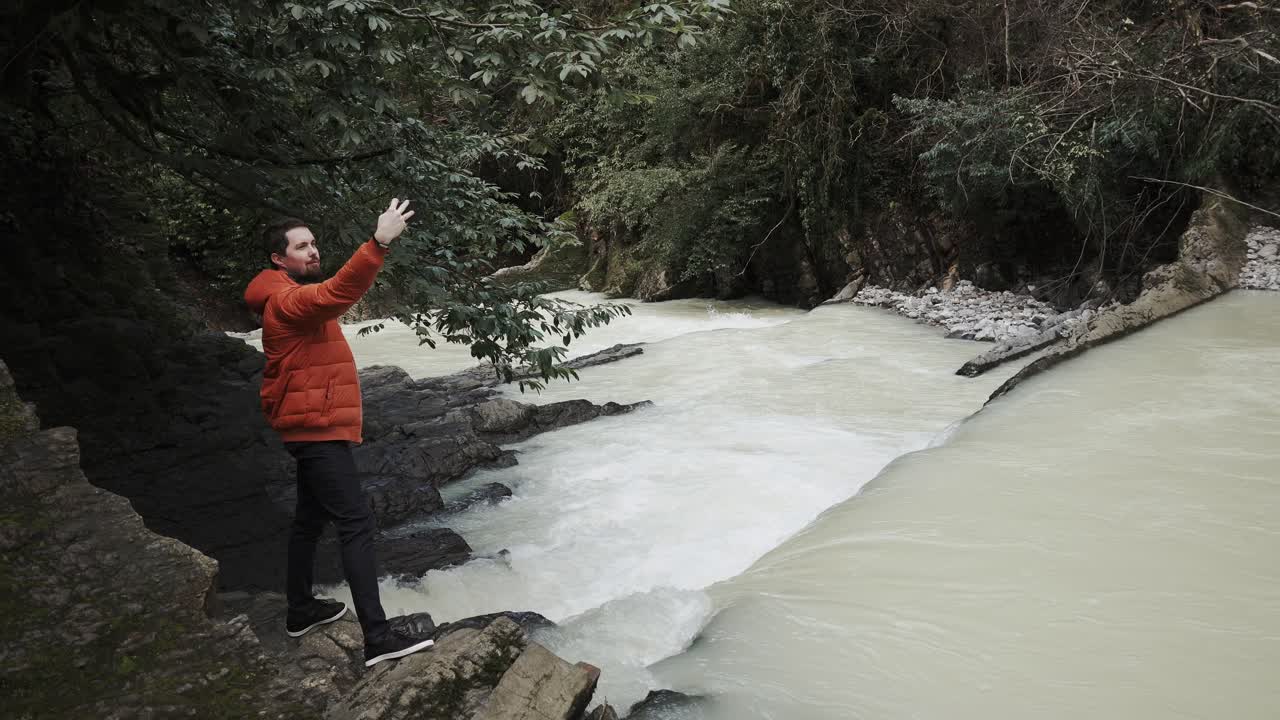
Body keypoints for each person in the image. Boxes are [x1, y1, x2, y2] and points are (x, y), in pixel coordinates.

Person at [243, 199, 434, 667]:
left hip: (313, 425)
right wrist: (379, 243)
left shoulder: (285, 291)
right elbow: (336, 293)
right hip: (316, 431)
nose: (313, 251)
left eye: (313, 243)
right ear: (278, 258)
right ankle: (377, 638)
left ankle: (300, 609)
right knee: (356, 523)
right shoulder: (286, 301)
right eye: (301, 246)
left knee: (309, 521)